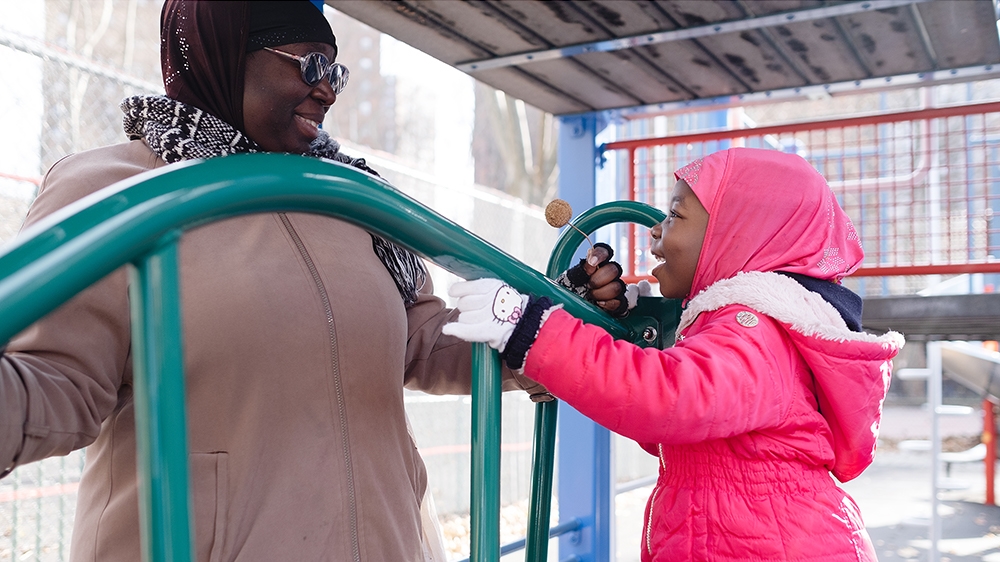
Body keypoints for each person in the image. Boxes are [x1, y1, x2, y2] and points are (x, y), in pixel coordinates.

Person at [0, 2, 631, 561]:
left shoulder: (352, 196)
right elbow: (56, 378)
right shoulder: (113, 191)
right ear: (229, 56)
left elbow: (422, 340)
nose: (327, 92)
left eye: (336, 72)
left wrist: (550, 322)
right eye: (309, 66)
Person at [443, 147, 905, 561]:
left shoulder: (755, 330)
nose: (655, 230)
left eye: (675, 215)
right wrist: (618, 334)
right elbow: (680, 429)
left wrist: (533, 330)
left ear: (736, 236)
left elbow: (669, 400)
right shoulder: (739, 326)